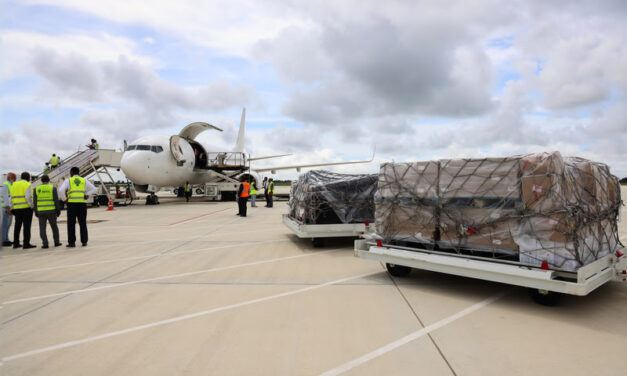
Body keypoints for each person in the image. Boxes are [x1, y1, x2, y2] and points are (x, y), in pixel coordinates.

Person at [58, 167, 97, 247]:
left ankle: (72, 242)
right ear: (78, 172)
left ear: (72, 172)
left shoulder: (68, 180)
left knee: (71, 224)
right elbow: (94, 189)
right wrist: (87, 194)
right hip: (82, 204)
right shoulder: (84, 180)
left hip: (72, 204)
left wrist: (65, 199)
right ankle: (84, 241)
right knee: (82, 223)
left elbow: (61, 190)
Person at [33, 174, 61, 249]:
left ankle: (45, 243)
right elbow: (56, 200)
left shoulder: (36, 189)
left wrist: (36, 211)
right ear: (49, 180)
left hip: (41, 212)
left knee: (42, 228)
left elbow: (35, 202)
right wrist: (58, 210)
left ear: (41, 180)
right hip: (51, 211)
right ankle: (56, 242)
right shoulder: (52, 188)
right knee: (54, 227)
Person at [10, 171, 35, 249]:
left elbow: (11, 198)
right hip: (26, 208)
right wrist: (32, 206)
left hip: (17, 208)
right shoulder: (27, 184)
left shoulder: (14, 184)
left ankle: (16, 243)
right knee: (26, 226)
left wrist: (11, 208)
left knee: (17, 226)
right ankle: (26, 244)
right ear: (28, 178)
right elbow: (28, 197)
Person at [1, 172, 16, 247]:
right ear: (10, 178)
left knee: (8, 224)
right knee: (4, 225)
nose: (15, 180)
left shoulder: (11, 185)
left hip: (10, 207)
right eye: (14, 178)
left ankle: (6, 239)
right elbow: (6, 197)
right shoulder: (6, 184)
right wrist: (8, 207)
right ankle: (3, 240)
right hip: (5, 207)